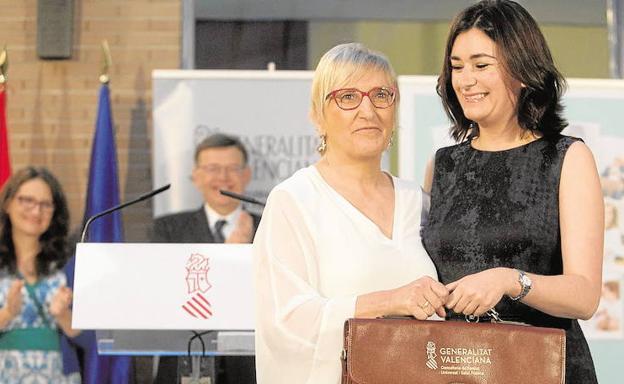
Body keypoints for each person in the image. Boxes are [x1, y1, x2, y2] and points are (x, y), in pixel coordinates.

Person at [421, 1, 603, 383]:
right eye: (457, 66)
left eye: (481, 65)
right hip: (458, 370)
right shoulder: (442, 165)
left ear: (522, 71)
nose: (465, 79)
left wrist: (508, 280)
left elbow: (584, 296)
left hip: (544, 370)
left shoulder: (567, 157)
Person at [253, 42, 447, 383]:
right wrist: (391, 301)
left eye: (381, 95)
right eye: (348, 97)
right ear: (318, 114)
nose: (368, 111)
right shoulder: (294, 201)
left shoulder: (418, 201)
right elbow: (285, 323)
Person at [151, 133, 259, 384]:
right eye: (212, 169)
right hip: (183, 367)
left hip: (251, 370)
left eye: (232, 168)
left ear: (247, 175)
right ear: (196, 176)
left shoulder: (270, 226)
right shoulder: (168, 229)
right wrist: (229, 256)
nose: (222, 177)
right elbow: (166, 293)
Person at [0, 166, 82, 383]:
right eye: (27, 200)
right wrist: (8, 312)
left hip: (59, 375)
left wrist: (63, 316)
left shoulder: (69, 262)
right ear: (8, 203)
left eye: (45, 205)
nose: (36, 211)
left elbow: (91, 338)